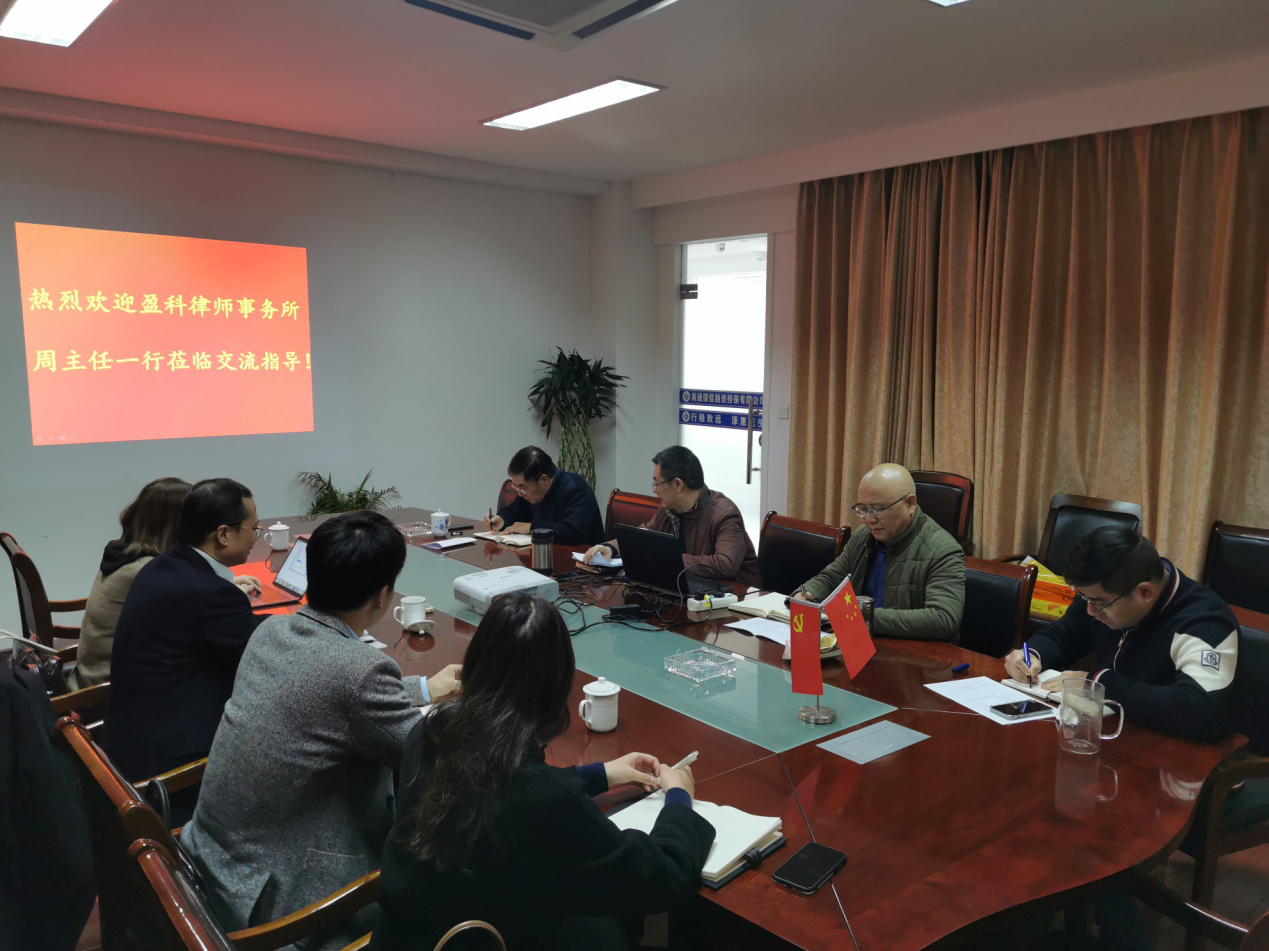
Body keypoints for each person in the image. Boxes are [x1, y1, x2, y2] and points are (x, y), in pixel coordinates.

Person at [371, 593, 716, 951]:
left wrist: (598, 774)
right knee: (610, 922)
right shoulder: (544, 799)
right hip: (493, 935)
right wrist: (679, 799)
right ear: (557, 685)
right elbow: (661, 880)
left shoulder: (427, 734)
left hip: (410, 936)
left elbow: (497, 791)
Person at [182, 511, 461, 947]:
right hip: (279, 904)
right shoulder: (360, 671)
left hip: (213, 860)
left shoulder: (272, 630)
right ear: (382, 595)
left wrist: (424, 688)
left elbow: (329, 693)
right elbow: (428, 756)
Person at [104, 477, 269, 792]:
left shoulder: (162, 565)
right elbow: (262, 653)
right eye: (253, 529)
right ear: (223, 534)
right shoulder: (210, 593)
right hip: (172, 765)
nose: (255, 538)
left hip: (130, 737)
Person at [1004, 526, 1240, 742]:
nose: (1090, 611)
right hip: (1116, 733)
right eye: (1084, 598)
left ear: (1144, 593)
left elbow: (1199, 710)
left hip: (1176, 753)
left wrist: (1100, 683)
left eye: (1098, 603)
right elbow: (1063, 636)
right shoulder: (1105, 592)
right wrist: (1032, 654)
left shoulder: (1204, 622)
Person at [794, 463, 965, 641]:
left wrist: (863, 615)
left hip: (912, 650)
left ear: (910, 504)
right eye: (863, 509)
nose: (869, 519)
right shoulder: (863, 536)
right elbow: (831, 578)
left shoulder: (942, 550)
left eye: (878, 509)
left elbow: (944, 619)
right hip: (860, 641)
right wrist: (805, 596)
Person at [69, 477, 192, 690]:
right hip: (110, 688)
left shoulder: (123, 552)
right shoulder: (148, 571)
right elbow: (190, 623)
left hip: (91, 673)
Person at [583, 445, 761, 588]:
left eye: (656, 484)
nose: (654, 490)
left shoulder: (724, 514)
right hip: (690, 590)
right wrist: (611, 548)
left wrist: (670, 559)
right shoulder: (670, 509)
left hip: (736, 601)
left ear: (677, 484)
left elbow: (725, 564)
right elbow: (644, 536)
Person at [483, 445, 605, 546]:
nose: (520, 493)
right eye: (516, 487)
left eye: (522, 487)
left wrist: (532, 528)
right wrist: (502, 520)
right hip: (546, 555)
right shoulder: (529, 492)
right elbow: (514, 511)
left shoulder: (575, 488)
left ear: (544, 479)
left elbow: (571, 533)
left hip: (581, 561)